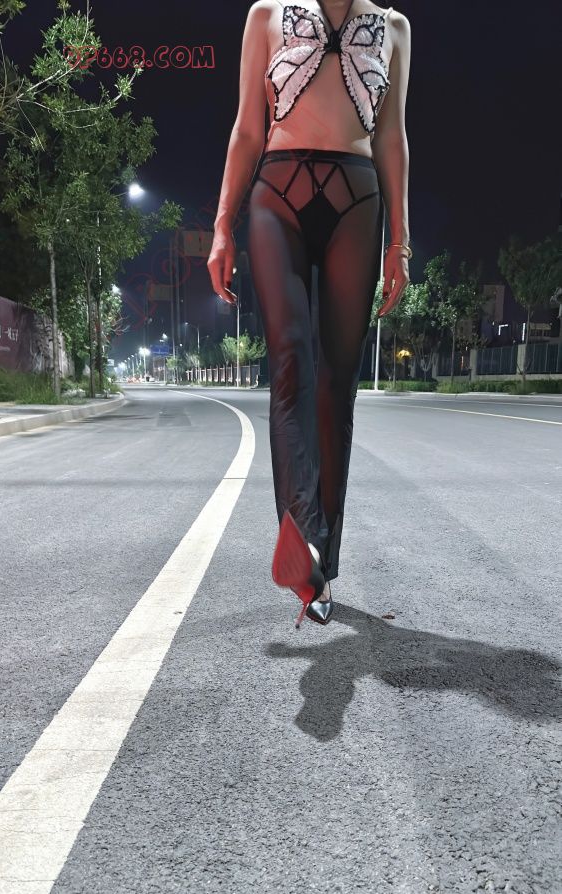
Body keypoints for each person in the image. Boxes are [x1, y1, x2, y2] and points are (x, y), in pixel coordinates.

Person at [208, 0, 411, 627]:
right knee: (292, 363)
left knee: (336, 386)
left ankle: (324, 558)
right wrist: (222, 226)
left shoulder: (395, 28)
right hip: (278, 196)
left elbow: (392, 136)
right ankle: (302, 543)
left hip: (358, 200)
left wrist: (400, 241)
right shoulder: (267, 15)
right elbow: (247, 128)